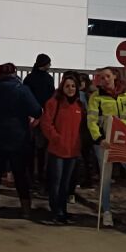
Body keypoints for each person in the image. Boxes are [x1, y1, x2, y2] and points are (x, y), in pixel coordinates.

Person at [87, 67, 126, 228]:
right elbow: (91, 121)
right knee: (106, 178)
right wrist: (99, 138)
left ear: (115, 76)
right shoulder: (96, 97)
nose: (105, 79)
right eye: (102, 77)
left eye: (107, 76)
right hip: (105, 143)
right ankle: (106, 211)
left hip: (124, 142)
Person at [0, 63, 42, 219]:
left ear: (0, 74)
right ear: (15, 73)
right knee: (20, 174)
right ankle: (25, 209)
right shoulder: (22, 90)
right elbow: (36, 110)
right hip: (18, 137)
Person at [40, 74, 84, 224]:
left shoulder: (79, 105)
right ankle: (56, 211)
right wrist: (56, 138)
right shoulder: (54, 103)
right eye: (67, 86)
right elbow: (46, 123)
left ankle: (63, 210)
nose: (70, 89)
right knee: (56, 182)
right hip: (57, 150)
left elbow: (81, 128)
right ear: (62, 87)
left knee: (66, 183)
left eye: (73, 86)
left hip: (72, 151)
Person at [23, 53, 55, 190]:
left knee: (30, 147)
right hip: (44, 116)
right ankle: (41, 175)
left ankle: (29, 176)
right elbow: (51, 97)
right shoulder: (48, 79)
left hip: (30, 116)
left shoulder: (29, 78)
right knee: (42, 148)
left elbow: (25, 95)